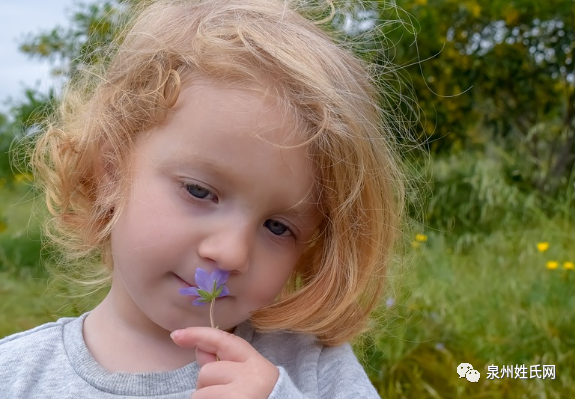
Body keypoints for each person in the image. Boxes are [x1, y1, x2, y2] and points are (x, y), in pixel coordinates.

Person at [0, 0, 405, 397]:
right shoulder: (17, 375)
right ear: (111, 172)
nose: (231, 254)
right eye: (199, 191)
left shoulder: (312, 368)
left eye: (278, 227)